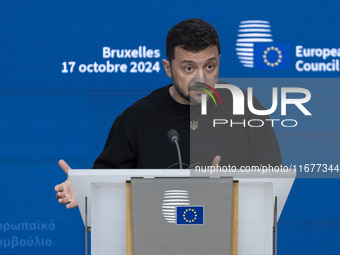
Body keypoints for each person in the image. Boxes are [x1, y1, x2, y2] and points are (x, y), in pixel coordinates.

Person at [55, 18, 282, 209]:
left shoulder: (247, 109)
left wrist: (228, 188)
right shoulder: (137, 118)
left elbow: (273, 186)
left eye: (210, 66)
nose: (201, 78)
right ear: (168, 68)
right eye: (189, 68)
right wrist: (86, 191)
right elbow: (105, 187)